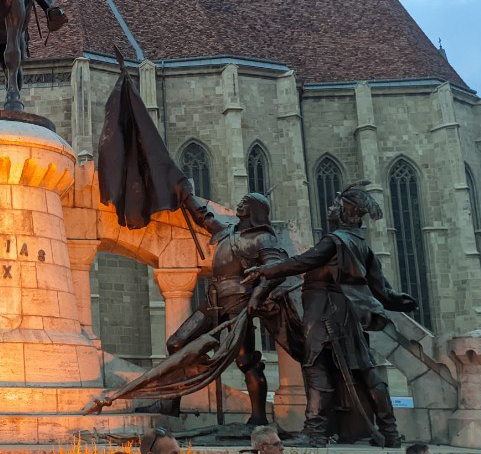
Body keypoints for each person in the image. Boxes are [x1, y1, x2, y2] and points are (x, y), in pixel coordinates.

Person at [243, 182, 418, 448]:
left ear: (347, 212)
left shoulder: (334, 241)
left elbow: (302, 262)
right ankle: (390, 431)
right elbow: (382, 289)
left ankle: (315, 433)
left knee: (317, 368)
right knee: (365, 371)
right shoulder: (362, 245)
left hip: (324, 313)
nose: (330, 209)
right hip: (347, 313)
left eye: (336, 206)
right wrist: (401, 302)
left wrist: (264, 271)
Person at [164, 193, 299, 425]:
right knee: (177, 343)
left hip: (240, 303)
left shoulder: (263, 238)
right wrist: (184, 192)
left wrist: (257, 294)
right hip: (213, 301)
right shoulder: (226, 231)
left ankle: (258, 418)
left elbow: (274, 269)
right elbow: (203, 216)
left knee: (246, 360)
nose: (240, 204)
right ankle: (173, 401)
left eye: (246, 203)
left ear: (255, 210)